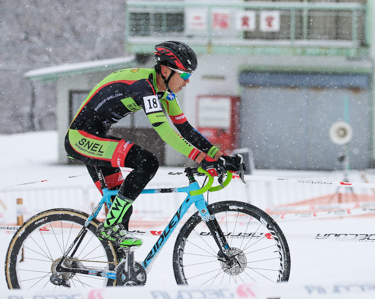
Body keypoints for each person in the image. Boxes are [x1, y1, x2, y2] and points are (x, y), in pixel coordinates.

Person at [64, 41, 243, 248]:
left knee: (122, 207)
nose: (187, 81)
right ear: (166, 71)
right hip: (80, 139)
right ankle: (110, 227)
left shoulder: (163, 92)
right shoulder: (144, 87)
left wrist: (217, 155)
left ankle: (120, 272)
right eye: (184, 75)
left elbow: (185, 128)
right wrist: (201, 158)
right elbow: (166, 132)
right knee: (147, 162)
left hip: (96, 137)